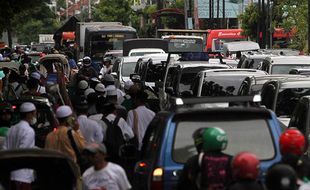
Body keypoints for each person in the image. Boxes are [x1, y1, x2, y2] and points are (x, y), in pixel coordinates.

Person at [3, 102, 37, 190]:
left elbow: (4, 150)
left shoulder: (12, 129)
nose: (35, 116)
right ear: (29, 114)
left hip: (11, 174)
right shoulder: (29, 131)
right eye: (34, 113)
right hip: (22, 176)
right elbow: (23, 153)